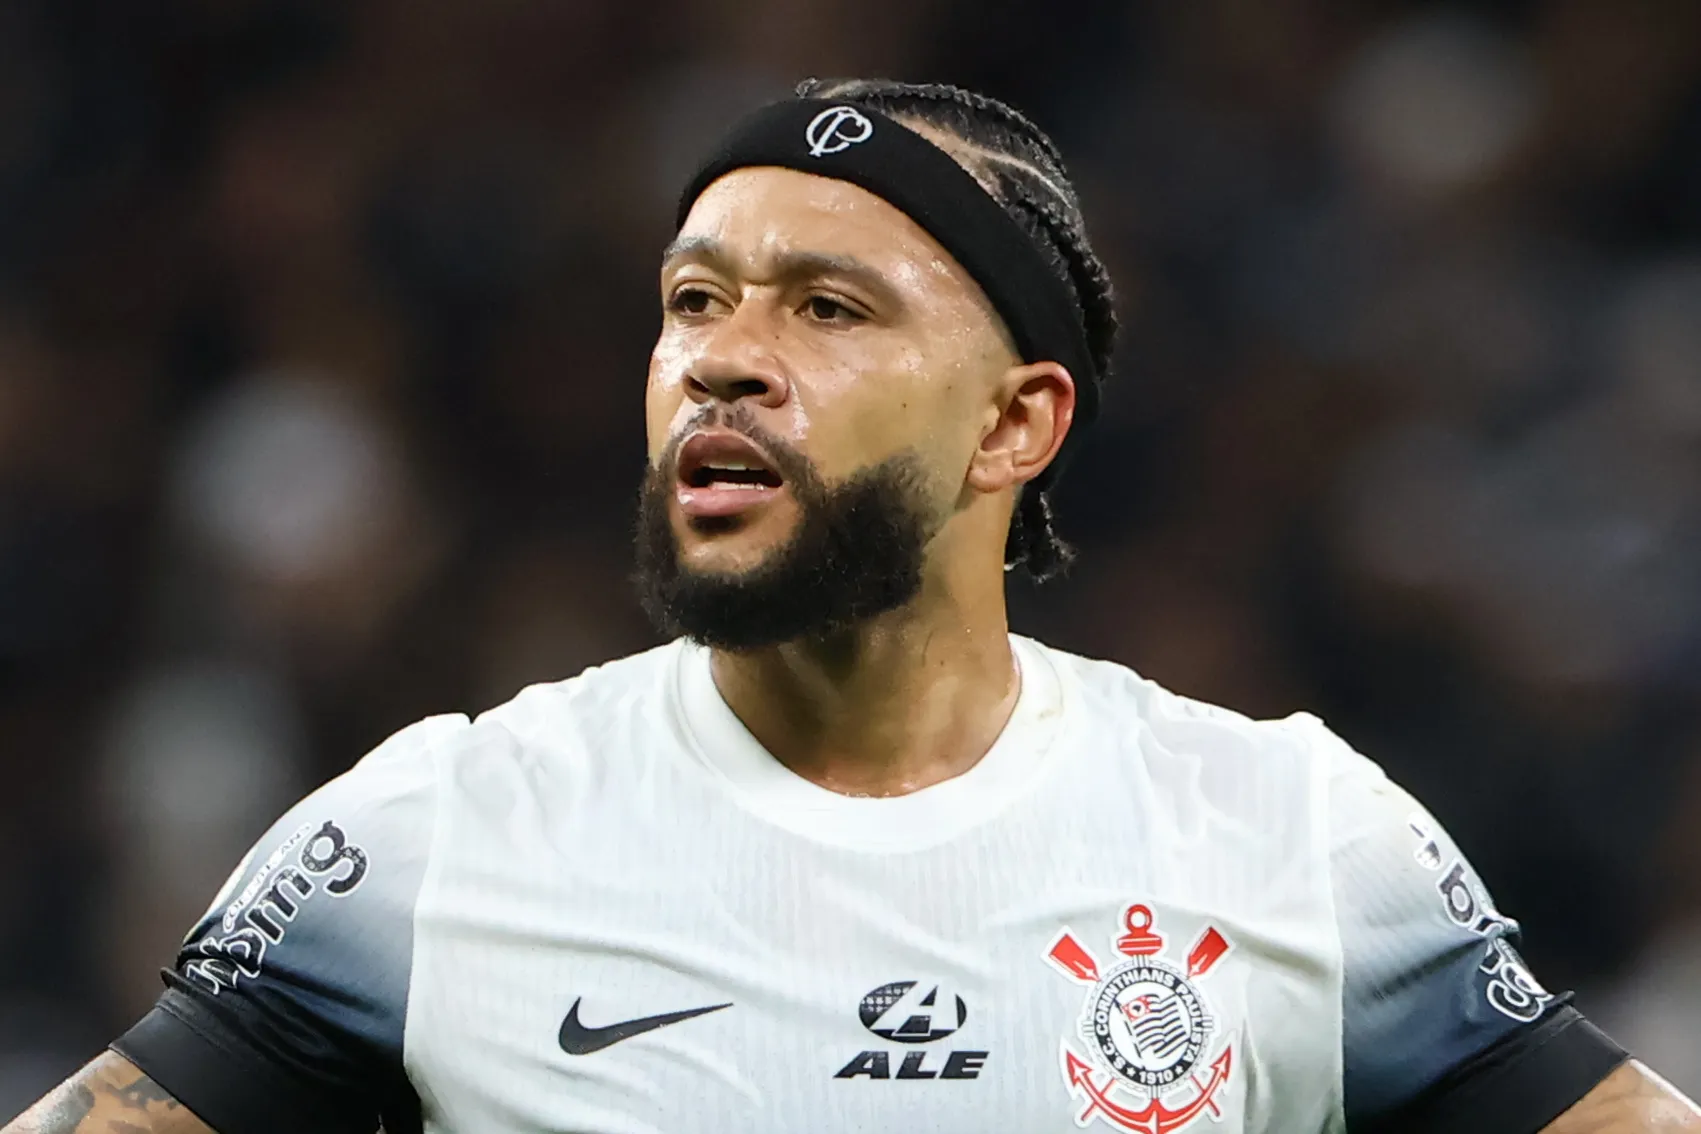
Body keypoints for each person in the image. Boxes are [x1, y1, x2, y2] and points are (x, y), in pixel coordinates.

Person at [6, 78, 1696, 1134]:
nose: (724, 358)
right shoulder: (433, 834)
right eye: (694, 301)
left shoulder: (1288, 834)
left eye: (828, 308)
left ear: (1014, 425)